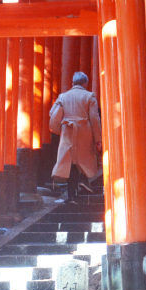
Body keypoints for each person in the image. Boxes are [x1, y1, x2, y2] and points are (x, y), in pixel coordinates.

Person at [48, 71, 102, 203]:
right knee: (84, 158)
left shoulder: (63, 96)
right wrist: (98, 139)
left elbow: (51, 113)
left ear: (72, 83)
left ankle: (71, 196)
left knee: (71, 162)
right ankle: (84, 179)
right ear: (85, 83)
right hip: (84, 131)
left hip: (68, 131)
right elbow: (94, 119)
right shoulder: (89, 96)